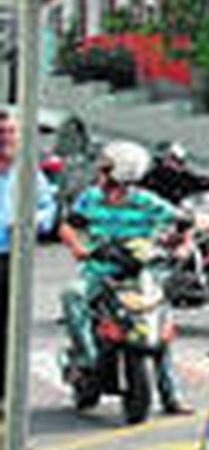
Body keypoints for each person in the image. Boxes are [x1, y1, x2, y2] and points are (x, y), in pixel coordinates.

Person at [59, 140, 190, 414]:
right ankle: (87, 357)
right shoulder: (90, 198)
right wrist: (78, 248)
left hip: (142, 274)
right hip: (100, 272)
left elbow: (182, 222)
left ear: (121, 173)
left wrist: (181, 245)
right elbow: (68, 227)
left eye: (106, 169)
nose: (100, 174)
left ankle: (171, 395)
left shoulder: (146, 202)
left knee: (159, 325)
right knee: (72, 295)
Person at [0, 107, 59, 403]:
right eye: (1, 134)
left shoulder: (28, 173)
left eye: (10, 133)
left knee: (10, 328)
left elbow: (48, 208)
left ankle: (6, 396)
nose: (5, 139)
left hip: (13, 258)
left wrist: (34, 221)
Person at [142, 141, 209, 206]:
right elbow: (197, 182)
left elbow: (197, 181)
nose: (180, 165)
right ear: (164, 159)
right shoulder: (160, 176)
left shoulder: (155, 175)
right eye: (176, 160)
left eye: (181, 161)